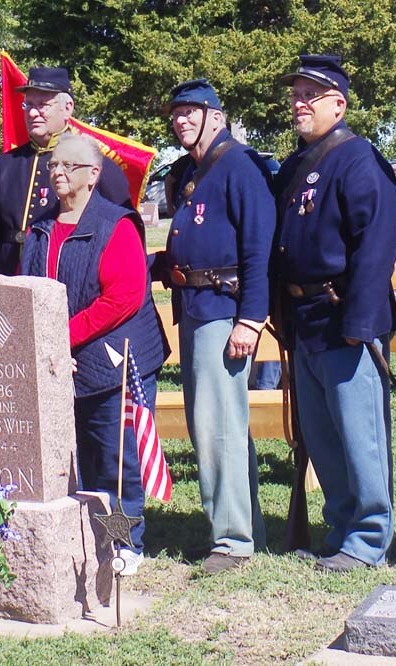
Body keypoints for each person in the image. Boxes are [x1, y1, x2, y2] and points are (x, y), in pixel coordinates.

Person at [272, 55, 396, 572]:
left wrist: (361, 322)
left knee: (359, 435)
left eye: (312, 95)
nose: (299, 103)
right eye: (296, 94)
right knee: (324, 437)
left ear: (339, 104)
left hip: (344, 316)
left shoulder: (358, 159)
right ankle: (343, 527)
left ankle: (369, 539)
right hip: (304, 319)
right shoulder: (294, 164)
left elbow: (376, 247)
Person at [20, 134, 167, 575]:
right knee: (78, 457)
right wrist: (45, 344)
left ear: (93, 175)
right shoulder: (41, 227)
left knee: (115, 458)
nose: (57, 173)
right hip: (60, 361)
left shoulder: (116, 225)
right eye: (53, 166)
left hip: (112, 361)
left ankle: (126, 544)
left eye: (68, 166)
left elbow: (122, 297)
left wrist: (59, 337)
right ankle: (88, 540)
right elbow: (27, 288)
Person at [158, 79, 272, 573]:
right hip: (195, 305)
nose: (181, 120)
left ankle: (232, 541)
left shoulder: (239, 166)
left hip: (225, 310)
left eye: (192, 111)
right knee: (216, 424)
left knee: (217, 426)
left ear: (217, 117)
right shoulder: (191, 172)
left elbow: (257, 250)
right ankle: (243, 529)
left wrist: (251, 318)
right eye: (176, 113)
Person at [0, 66, 132, 276]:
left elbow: (119, 232)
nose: (32, 113)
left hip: (65, 275)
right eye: (28, 104)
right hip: (9, 276)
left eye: (42, 105)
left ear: (67, 108)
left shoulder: (94, 164)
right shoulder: (5, 165)